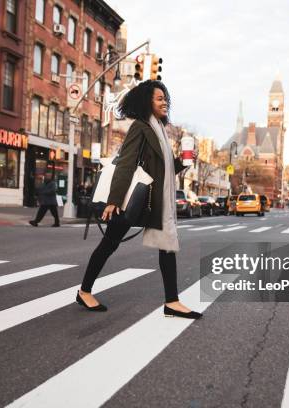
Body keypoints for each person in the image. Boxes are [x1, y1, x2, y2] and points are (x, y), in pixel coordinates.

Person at [77, 80, 202, 320]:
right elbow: (126, 163)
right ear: (147, 102)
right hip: (134, 199)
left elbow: (162, 170)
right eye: (158, 98)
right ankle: (84, 291)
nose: (164, 102)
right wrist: (114, 200)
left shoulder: (160, 130)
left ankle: (172, 302)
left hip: (156, 201)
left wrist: (181, 163)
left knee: (167, 245)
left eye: (165, 98)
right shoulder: (140, 127)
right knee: (110, 243)